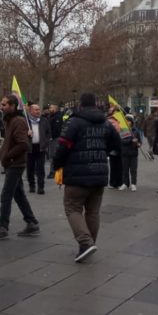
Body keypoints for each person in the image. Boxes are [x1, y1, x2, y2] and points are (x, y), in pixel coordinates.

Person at [52, 93, 121, 262]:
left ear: (80, 105)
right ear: (96, 104)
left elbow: (63, 146)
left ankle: (85, 243)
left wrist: (56, 165)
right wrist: (104, 152)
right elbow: (116, 144)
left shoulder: (74, 122)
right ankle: (89, 243)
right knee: (93, 211)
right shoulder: (106, 122)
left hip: (77, 175)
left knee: (72, 208)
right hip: (99, 173)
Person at [0, 94, 40, 240]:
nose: (2, 106)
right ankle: (31, 222)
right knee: (18, 193)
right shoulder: (9, 121)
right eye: (1, 104)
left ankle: (3, 227)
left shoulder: (18, 121)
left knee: (6, 194)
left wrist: (8, 156)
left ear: (13, 106)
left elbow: (23, 144)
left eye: (4, 104)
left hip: (15, 164)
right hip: (11, 163)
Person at [26, 103, 51, 194]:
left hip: (41, 148)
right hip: (30, 148)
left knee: (41, 169)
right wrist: (27, 134)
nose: (38, 111)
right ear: (31, 111)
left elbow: (48, 133)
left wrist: (46, 142)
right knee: (30, 169)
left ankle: (41, 187)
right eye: (36, 110)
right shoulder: (26, 122)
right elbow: (19, 135)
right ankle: (32, 186)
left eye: (39, 110)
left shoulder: (44, 120)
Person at [120, 115, 142, 192]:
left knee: (133, 170)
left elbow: (140, 142)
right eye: (126, 121)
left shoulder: (136, 131)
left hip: (133, 153)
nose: (127, 122)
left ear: (131, 122)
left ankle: (133, 184)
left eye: (128, 121)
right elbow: (122, 141)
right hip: (125, 153)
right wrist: (131, 140)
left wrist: (139, 144)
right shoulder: (123, 130)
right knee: (125, 170)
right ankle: (125, 183)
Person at [106, 112, 124, 189]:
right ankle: (113, 183)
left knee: (120, 168)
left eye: (112, 123)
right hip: (112, 152)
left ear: (117, 122)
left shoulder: (123, 130)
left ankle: (120, 182)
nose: (111, 124)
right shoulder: (108, 131)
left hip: (121, 152)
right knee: (113, 168)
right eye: (109, 123)